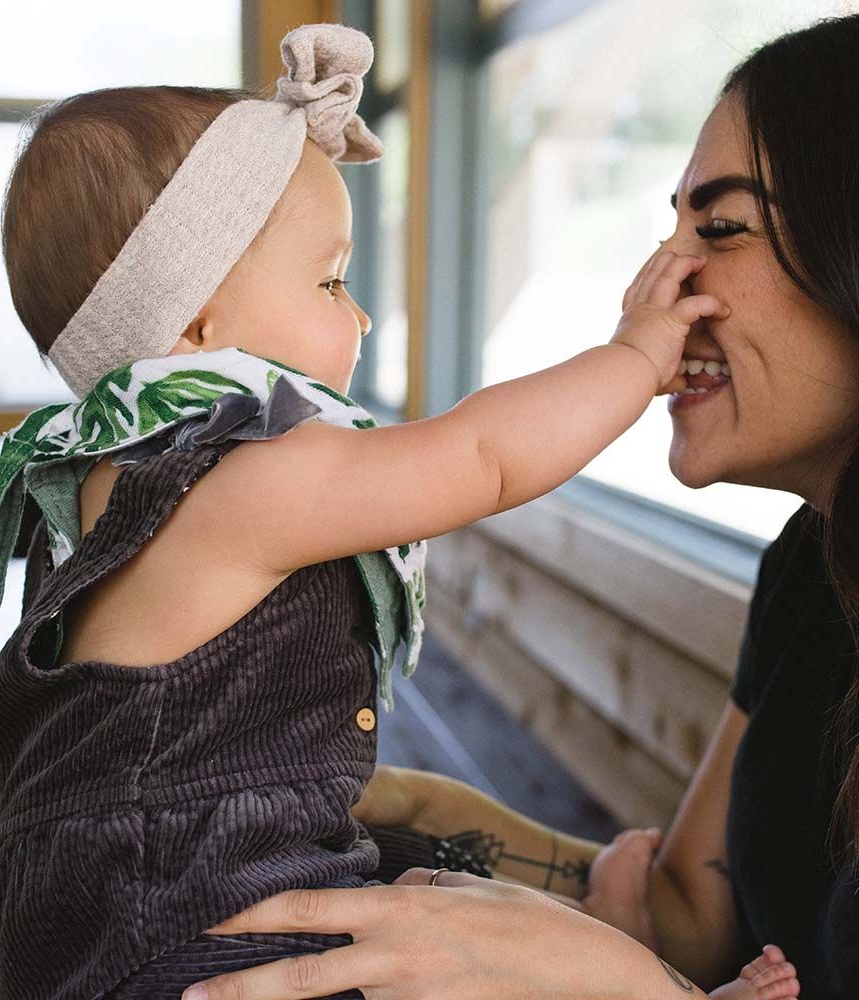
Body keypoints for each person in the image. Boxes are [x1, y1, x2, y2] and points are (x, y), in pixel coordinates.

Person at [174, 12, 859, 1000]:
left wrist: (617, 981)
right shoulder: (812, 559)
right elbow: (689, 917)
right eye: (667, 232)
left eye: (719, 228)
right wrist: (408, 802)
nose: (654, 288)